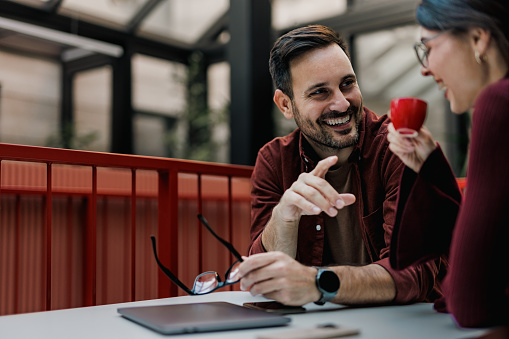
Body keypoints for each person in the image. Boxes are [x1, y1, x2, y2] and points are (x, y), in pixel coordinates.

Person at [237, 25, 446, 307]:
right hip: (317, 326)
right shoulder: (274, 160)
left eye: (347, 84)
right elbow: (258, 279)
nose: (341, 103)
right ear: (285, 105)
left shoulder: (398, 147)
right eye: (320, 92)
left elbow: (413, 272)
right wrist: (284, 219)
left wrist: (318, 284)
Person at [387, 0, 509, 328]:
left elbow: (469, 302)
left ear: (478, 39)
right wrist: (431, 168)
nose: (424, 68)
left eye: (428, 46)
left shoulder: (498, 103)